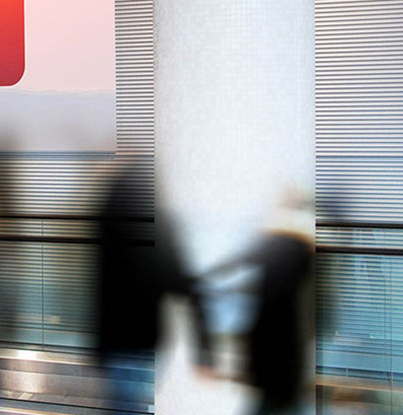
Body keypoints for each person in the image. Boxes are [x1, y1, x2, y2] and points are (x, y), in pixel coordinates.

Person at [94, 160, 210, 410]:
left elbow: (101, 290)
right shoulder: (157, 223)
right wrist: (204, 350)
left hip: (115, 342)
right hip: (142, 342)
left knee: (123, 405)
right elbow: (183, 284)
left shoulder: (109, 219)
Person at [207, 194, 313, 415]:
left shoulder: (274, 245)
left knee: (274, 402)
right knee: (280, 401)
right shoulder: (303, 251)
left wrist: (202, 279)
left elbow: (233, 262)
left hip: (272, 344)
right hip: (289, 344)